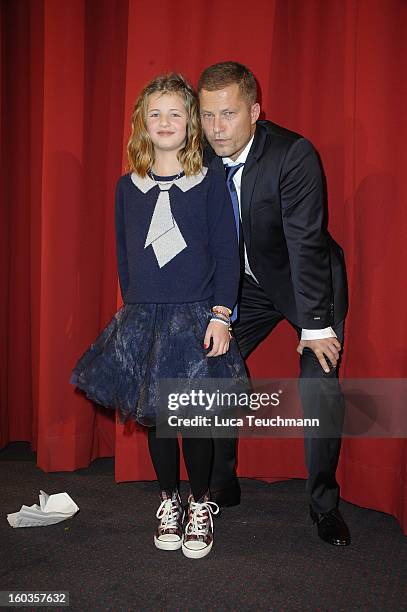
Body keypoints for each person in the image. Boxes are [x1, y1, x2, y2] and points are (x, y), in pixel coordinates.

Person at [70, 73, 247, 559]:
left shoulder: (209, 184)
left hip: (196, 318)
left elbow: (228, 256)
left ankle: (200, 503)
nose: (165, 121)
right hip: (145, 318)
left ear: (190, 122)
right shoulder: (127, 187)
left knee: (196, 419)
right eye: (155, 114)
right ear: (141, 125)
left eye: (175, 113)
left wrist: (220, 316)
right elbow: (126, 256)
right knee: (160, 421)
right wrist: (134, 314)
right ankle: (168, 499)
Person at [198, 61, 351, 546]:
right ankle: (223, 484)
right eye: (206, 115)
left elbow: (305, 243)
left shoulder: (292, 154)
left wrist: (315, 326)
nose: (216, 128)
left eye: (227, 114)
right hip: (242, 286)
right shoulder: (197, 154)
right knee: (210, 368)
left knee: (318, 385)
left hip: (302, 281)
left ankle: (324, 505)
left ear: (255, 112)